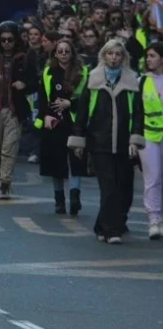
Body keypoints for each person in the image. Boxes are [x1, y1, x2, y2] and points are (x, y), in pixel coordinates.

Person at [69, 39, 142, 244]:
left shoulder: (131, 81)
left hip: (123, 142)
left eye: (118, 54)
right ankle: (111, 230)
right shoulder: (93, 79)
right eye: (110, 54)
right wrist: (78, 141)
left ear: (123, 58)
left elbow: (138, 113)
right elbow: (82, 112)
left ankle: (101, 225)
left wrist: (135, 140)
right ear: (104, 56)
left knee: (124, 189)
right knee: (109, 187)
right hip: (98, 141)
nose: (114, 58)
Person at [35, 39, 89, 215]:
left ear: (72, 53)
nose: (64, 54)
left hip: (75, 122)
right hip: (55, 122)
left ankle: (75, 197)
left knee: (76, 159)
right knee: (56, 162)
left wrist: (70, 103)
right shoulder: (48, 72)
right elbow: (42, 98)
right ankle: (59, 199)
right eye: (60, 51)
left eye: (67, 51)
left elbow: (87, 98)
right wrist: (45, 116)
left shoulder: (82, 73)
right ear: (55, 54)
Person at [0, 21, 36, 200]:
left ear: (16, 40)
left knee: (9, 149)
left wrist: (25, 85)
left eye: (10, 40)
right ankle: (0, 176)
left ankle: (4, 183)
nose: (6, 43)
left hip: (14, 110)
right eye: (3, 39)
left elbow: (35, 83)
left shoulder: (25, 58)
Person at [135, 42, 163, 240]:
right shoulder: (142, 81)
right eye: (147, 56)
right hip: (149, 136)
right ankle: (154, 219)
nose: (148, 59)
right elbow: (135, 112)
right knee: (152, 179)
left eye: (152, 55)